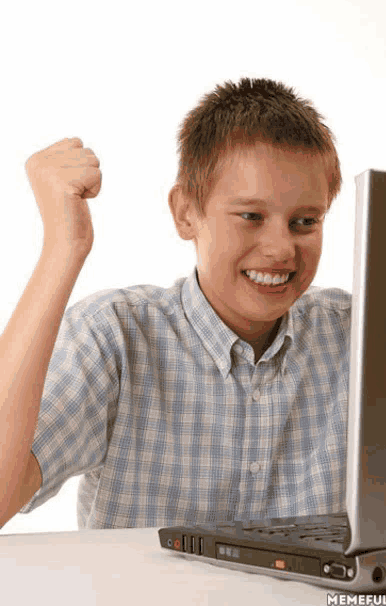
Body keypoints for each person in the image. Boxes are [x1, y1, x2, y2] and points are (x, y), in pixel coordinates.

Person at [0, 78, 351, 530]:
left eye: (305, 222)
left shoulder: (357, 337)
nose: (282, 249)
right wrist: (63, 249)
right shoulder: (115, 337)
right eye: (251, 216)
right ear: (186, 212)